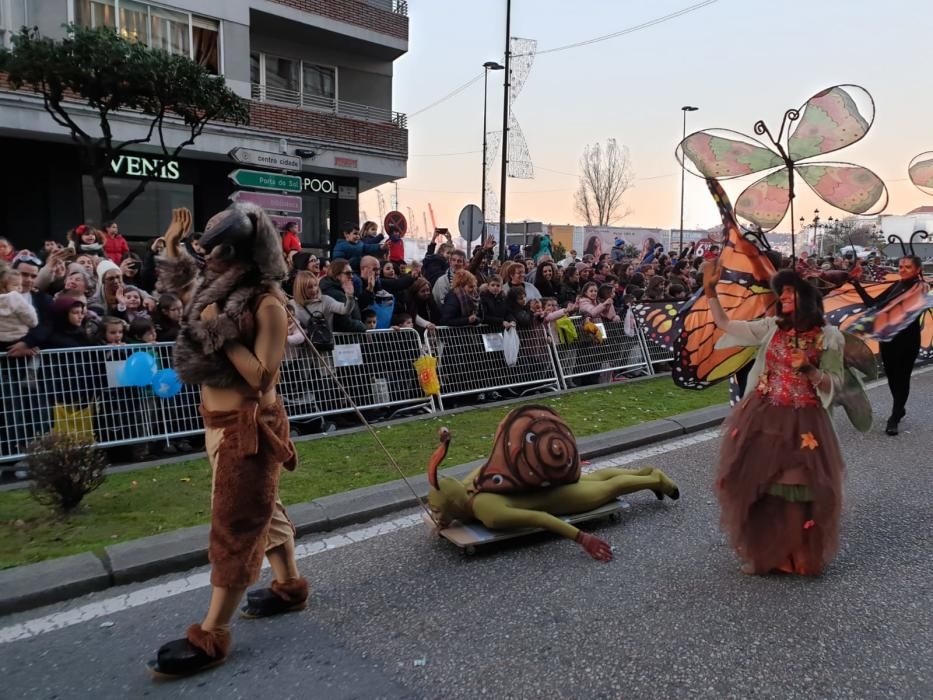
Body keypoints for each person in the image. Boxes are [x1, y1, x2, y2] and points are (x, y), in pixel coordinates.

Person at [148, 206, 307, 678]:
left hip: (249, 424)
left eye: (215, 251)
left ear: (239, 255)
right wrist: (172, 246)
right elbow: (184, 290)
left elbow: (262, 376)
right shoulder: (220, 291)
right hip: (217, 422)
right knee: (264, 506)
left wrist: (220, 331)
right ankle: (289, 584)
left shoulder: (268, 305)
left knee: (237, 522)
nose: (207, 259)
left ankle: (212, 633)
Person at [705, 260, 851, 576]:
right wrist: (710, 291)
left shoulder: (828, 338)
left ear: (806, 297)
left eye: (789, 293)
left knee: (798, 488)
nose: (782, 298)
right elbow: (726, 324)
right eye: (781, 293)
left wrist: (811, 370)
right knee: (768, 487)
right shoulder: (772, 328)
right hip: (764, 416)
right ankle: (774, 552)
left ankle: (800, 549)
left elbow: (837, 383)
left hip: (806, 423)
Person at [848, 255, 928, 435]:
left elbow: (910, 308)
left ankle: (894, 416)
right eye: (900, 266)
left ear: (917, 270)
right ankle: (899, 408)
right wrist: (856, 284)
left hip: (908, 340)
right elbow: (874, 305)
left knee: (903, 377)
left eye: (907, 267)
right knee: (892, 376)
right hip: (889, 340)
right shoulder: (897, 285)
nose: (902, 270)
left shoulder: (921, 288)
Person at [0, 266, 38, 352]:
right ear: (4, 286)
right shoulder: (16, 298)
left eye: (20, 284)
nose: (20, 287)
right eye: (16, 285)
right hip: (18, 339)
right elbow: (32, 321)